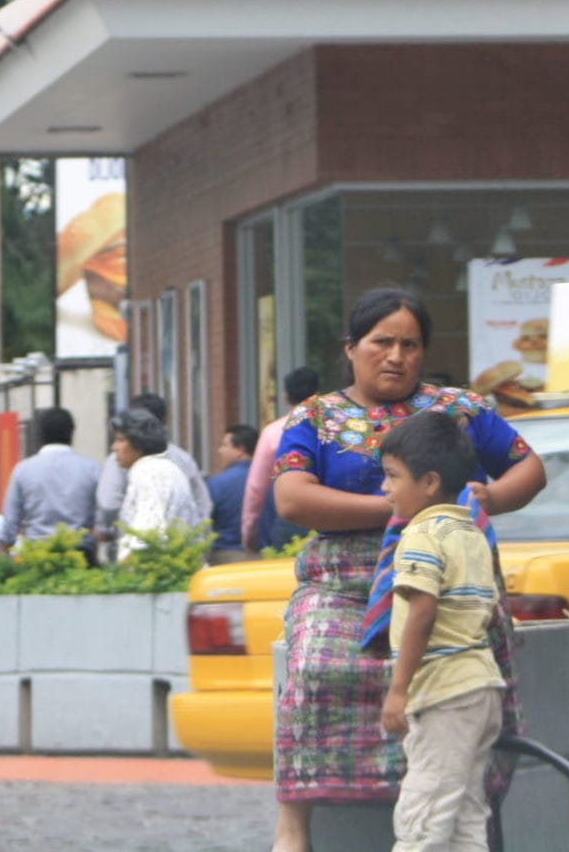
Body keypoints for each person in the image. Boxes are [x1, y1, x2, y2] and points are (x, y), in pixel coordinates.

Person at [270, 288, 546, 852]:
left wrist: (486, 498)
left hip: (447, 573)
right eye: (382, 342)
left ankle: (472, 810)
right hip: (344, 582)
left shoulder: (460, 408)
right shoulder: (316, 417)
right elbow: (292, 499)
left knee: (471, 680)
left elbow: (530, 468)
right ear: (351, 348)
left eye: (410, 344)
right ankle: (293, 826)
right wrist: (397, 508)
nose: (396, 355)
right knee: (311, 672)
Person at [378, 411, 505, 852]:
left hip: (445, 696)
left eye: (392, 477)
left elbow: (423, 611)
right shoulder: (471, 533)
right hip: (482, 688)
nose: (385, 488)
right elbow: (487, 613)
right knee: (467, 817)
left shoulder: (421, 535)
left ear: (429, 482)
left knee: (423, 819)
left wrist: (399, 689)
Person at [95, 391, 210, 533]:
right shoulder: (182, 459)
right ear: (165, 423)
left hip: (147, 545)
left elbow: (109, 503)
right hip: (183, 545)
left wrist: (109, 529)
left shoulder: (143, 471)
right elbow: (203, 504)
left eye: (121, 439)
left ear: (137, 440)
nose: (114, 447)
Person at [0, 407, 100, 550]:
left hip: (37, 554)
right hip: (81, 553)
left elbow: (10, 523)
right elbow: (103, 512)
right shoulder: (92, 469)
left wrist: (6, 549)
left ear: (39, 434)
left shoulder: (23, 470)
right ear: (72, 433)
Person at [110, 407, 207, 560]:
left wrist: (126, 569)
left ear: (139, 443)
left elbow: (146, 534)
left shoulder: (148, 473)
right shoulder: (165, 468)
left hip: (157, 571)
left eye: (121, 440)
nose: (114, 447)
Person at [243, 366, 321, 553]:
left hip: (288, 519)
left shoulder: (272, 432)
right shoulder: (334, 429)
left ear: (285, 397)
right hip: (327, 518)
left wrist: (249, 530)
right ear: (318, 394)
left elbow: (256, 488)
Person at [206, 424, 261, 565]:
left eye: (225, 445)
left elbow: (204, 520)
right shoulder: (272, 481)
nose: (220, 450)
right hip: (267, 558)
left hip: (225, 557)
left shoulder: (217, 483)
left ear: (240, 450)